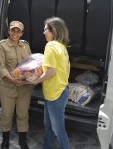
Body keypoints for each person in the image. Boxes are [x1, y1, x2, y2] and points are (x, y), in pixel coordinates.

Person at [28, 17, 70, 149]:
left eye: (45, 29)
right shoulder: (62, 47)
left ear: (54, 30)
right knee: (48, 126)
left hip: (55, 94)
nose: (43, 32)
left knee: (58, 130)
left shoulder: (51, 46)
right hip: (56, 91)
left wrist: (35, 81)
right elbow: (56, 69)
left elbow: (51, 72)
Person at [0, 21, 33, 149]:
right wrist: (13, 80)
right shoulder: (1, 46)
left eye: (18, 31)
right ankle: (5, 140)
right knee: (7, 114)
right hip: (7, 87)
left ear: (21, 33)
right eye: (13, 30)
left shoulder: (25, 46)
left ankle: (22, 141)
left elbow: (29, 64)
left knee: (23, 114)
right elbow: (1, 68)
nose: (15, 34)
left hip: (24, 88)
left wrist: (32, 77)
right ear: (9, 31)